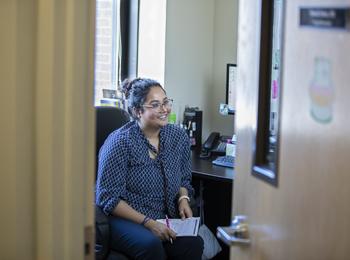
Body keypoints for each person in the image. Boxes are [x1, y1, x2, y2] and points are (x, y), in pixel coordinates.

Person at [96, 78, 204, 259]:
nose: (165, 109)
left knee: (193, 243)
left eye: (166, 102)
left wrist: (183, 199)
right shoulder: (120, 142)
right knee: (150, 244)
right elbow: (108, 198)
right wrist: (149, 223)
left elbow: (184, 178)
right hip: (125, 218)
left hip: (163, 216)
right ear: (138, 111)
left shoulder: (178, 136)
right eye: (155, 105)